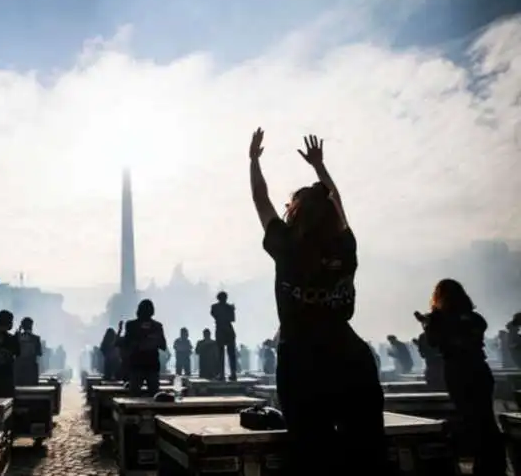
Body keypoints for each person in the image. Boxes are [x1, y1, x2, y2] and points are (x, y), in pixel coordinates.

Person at [249, 130, 387, 475]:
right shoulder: (344, 245)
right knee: (367, 454)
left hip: (302, 363)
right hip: (350, 356)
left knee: (314, 454)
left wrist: (253, 161)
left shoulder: (286, 246)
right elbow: (336, 200)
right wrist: (320, 168)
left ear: (293, 214)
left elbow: (260, 200)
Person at [416, 280, 506, 476]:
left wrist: (427, 324)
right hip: (479, 369)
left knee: (469, 417)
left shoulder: (438, 319)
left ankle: (482, 464)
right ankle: (494, 463)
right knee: (486, 417)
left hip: (458, 372)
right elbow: (473, 332)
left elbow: (433, 342)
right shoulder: (475, 318)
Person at [121, 299, 166, 396]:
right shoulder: (157, 326)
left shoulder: (131, 325)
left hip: (144, 364)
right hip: (142, 364)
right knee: (148, 394)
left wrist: (149, 342)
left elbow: (163, 345)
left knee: (139, 394)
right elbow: (163, 345)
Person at [211, 291, 237, 381]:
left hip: (220, 330)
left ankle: (222, 374)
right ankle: (232, 373)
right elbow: (232, 319)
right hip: (229, 330)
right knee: (231, 354)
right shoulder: (229, 307)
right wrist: (232, 310)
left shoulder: (214, 307)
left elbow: (215, 316)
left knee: (221, 354)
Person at [15, 317, 42, 386]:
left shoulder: (17, 337)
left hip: (19, 368)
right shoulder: (36, 338)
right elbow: (39, 353)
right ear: (31, 326)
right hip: (31, 369)